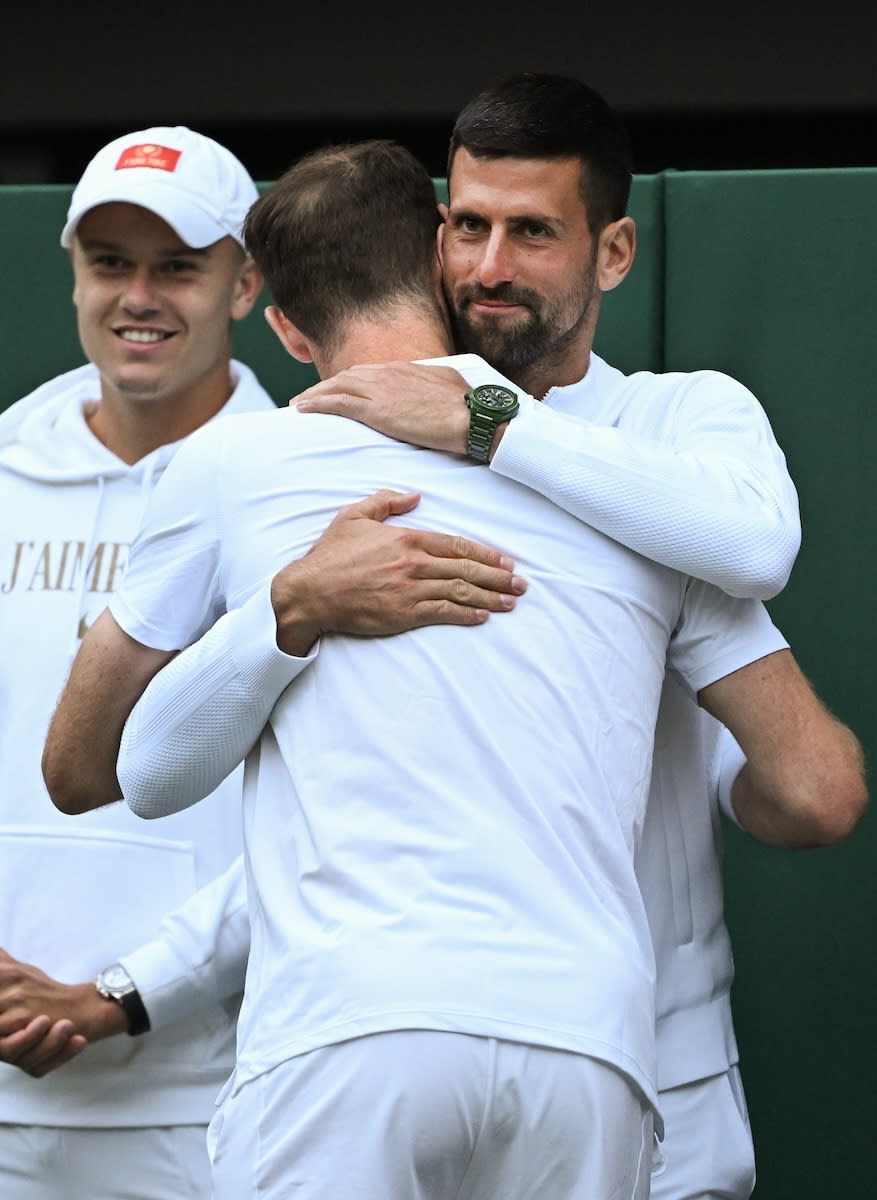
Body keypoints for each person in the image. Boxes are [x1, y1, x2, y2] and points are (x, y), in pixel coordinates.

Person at [42, 137, 867, 1200]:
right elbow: (814, 786)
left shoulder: (235, 464)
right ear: (444, 256)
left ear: (284, 327)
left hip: (349, 1033)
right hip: (591, 1046)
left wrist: (288, 614)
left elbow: (116, 773)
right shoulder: (635, 486)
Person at [260, 73, 869, 1196]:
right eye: (468, 226)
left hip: (650, 1080)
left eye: (533, 232)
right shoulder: (336, 440)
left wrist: (485, 422)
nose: (489, 266)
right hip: (393, 1064)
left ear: (616, 252)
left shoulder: (675, 422)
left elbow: (754, 554)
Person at [0, 126, 521, 1200]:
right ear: (71, 274)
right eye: (110, 263)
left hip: (227, 1086)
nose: (139, 296)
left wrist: (128, 990)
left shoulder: (330, 477)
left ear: (248, 289)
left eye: (179, 266)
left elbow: (357, 800)